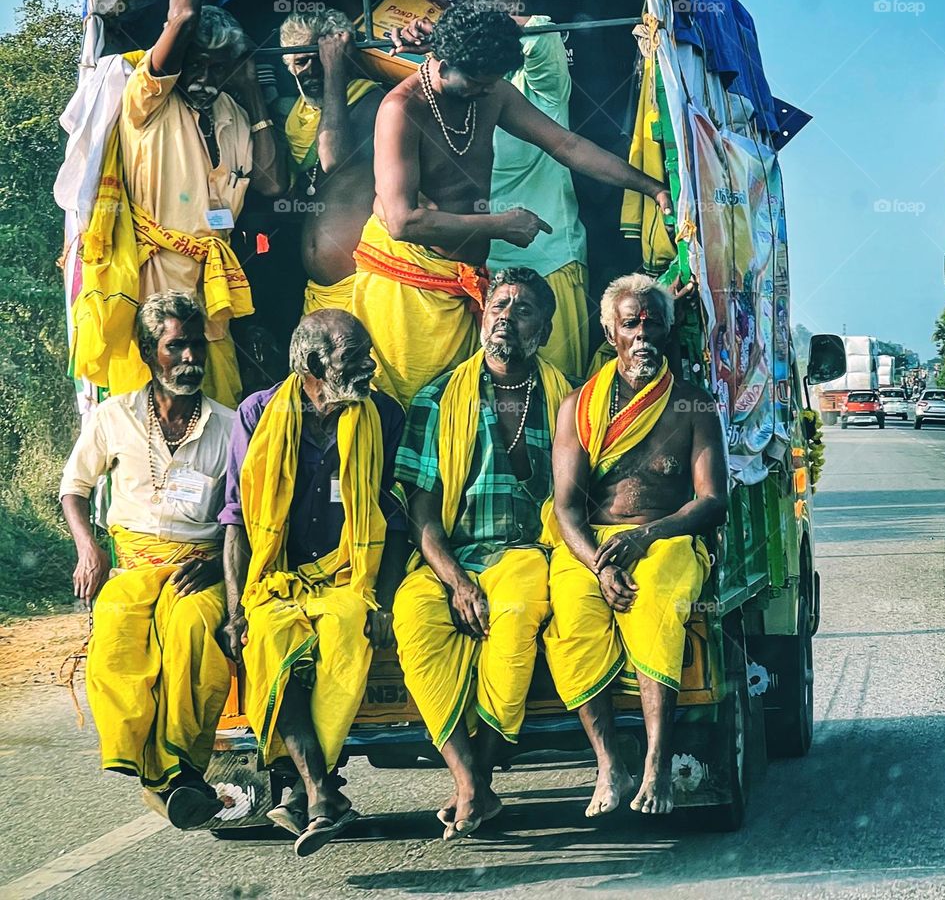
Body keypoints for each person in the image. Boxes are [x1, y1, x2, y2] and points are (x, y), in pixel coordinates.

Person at [353, 1, 672, 407]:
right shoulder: (401, 109)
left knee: (463, 408)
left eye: (492, 83)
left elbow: (567, 145)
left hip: (465, 284)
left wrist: (649, 186)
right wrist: (500, 226)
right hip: (406, 283)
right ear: (444, 59)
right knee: (415, 406)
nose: (486, 91)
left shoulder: (491, 91)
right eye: (477, 82)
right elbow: (401, 221)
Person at [392, 268, 571, 840]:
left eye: (522, 311)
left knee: (516, 615)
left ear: (542, 330)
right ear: (482, 314)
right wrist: (456, 582)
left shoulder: (566, 399)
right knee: (414, 619)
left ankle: (475, 781)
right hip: (450, 556)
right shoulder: (439, 396)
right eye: (498, 304)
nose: (505, 317)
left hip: (527, 552)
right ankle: (473, 783)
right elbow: (420, 511)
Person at [220, 310, 407, 857]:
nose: (370, 365)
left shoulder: (384, 415)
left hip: (352, 575)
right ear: (312, 363)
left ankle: (309, 793)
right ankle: (322, 790)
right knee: (269, 641)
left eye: (368, 353)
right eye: (354, 356)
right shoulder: (258, 414)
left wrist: (386, 600)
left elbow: (393, 517)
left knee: (348, 631)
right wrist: (236, 611)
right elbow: (235, 519)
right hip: (278, 576)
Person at [543, 274, 727, 817]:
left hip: (666, 535)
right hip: (591, 547)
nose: (642, 334)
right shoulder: (578, 407)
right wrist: (599, 566)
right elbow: (566, 509)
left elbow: (712, 500)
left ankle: (656, 764)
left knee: (654, 604)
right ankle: (609, 766)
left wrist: (647, 535)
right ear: (609, 331)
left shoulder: (692, 405)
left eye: (653, 324)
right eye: (631, 324)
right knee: (572, 616)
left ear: (669, 332)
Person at [59, 291, 234, 828]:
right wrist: (88, 547)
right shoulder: (114, 417)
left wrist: (216, 565)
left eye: (196, 347)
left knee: (192, 634)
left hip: (198, 567)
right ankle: (151, 768)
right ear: (147, 352)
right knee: (115, 626)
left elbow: (243, 512)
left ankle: (177, 769)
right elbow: (75, 487)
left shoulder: (230, 425)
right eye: (175, 347)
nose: (190, 359)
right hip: (134, 565)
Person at [119, 0, 284, 406]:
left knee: (220, 408)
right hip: (155, 289)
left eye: (218, 67)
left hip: (213, 299)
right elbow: (184, 17)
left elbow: (271, 185)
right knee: (157, 407)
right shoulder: (147, 101)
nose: (206, 77)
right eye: (197, 63)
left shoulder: (231, 111)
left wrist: (252, 93)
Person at [484, 0, 590, 380]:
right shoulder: (468, 90)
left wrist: (487, 23)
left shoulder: (542, 88)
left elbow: (540, 33)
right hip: (482, 276)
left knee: (556, 392)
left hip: (550, 266)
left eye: (508, 14)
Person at [278, 8, 385, 314]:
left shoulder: (372, 103)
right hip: (319, 294)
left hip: (362, 286)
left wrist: (335, 71)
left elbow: (334, 157)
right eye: (301, 61)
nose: (311, 71)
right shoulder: (298, 118)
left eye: (320, 59)